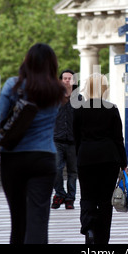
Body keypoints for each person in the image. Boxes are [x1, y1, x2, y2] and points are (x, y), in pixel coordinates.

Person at [0, 43, 66, 244]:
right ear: (52, 65)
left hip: (14, 160)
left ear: (27, 62)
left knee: (18, 221)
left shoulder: (13, 86)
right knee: (38, 220)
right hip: (45, 159)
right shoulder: (57, 90)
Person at [73, 73, 128, 244]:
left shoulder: (79, 109)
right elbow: (119, 138)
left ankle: (89, 228)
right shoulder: (112, 109)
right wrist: (123, 162)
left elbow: (75, 137)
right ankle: (102, 239)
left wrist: (79, 156)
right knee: (105, 200)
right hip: (109, 158)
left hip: (86, 157)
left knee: (87, 196)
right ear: (105, 88)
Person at [51, 69, 79, 210]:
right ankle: (60, 193)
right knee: (56, 168)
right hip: (57, 139)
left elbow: (83, 120)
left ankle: (70, 198)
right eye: (65, 78)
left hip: (73, 141)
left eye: (70, 78)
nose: (67, 80)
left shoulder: (79, 99)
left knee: (73, 171)